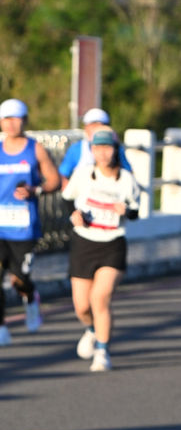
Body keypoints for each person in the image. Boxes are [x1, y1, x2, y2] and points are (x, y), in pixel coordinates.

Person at [0, 98, 59, 346]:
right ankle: (0, 328)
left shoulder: (36, 149)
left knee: (19, 279)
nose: (10, 124)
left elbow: (54, 181)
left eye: (15, 118)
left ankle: (31, 298)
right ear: (0, 122)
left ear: (25, 121)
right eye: (6, 119)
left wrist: (35, 190)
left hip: (24, 229)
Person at [62, 128, 141, 372]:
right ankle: (92, 330)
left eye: (107, 148)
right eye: (97, 148)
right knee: (82, 306)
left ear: (115, 150)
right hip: (84, 243)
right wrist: (74, 215)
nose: (103, 153)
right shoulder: (83, 174)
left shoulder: (126, 179)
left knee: (100, 297)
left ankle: (102, 351)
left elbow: (136, 212)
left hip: (112, 244)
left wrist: (126, 211)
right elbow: (67, 198)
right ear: (92, 151)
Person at [59, 107, 132, 189]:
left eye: (98, 125)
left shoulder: (118, 149)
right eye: (91, 126)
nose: (94, 129)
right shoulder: (76, 149)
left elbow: (127, 173)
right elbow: (63, 174)